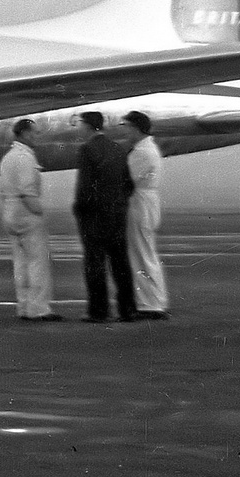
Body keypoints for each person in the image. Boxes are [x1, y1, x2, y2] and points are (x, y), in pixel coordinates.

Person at [72, 112, 137, 323]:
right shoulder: (117, 148)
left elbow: (85, 187)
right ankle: (128, 310)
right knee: (121, 264)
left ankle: (99, 311)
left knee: (95, 264)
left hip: (94, 217)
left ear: (87, 126)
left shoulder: (87, 149)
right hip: (117, 214)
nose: (78, 128)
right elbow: (129, 184)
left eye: (79, 124)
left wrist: (80, 210)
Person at [0, 118, 59, 321]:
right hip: (25, 210)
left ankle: (24, 306)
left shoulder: (7, 157)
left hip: (9, 209)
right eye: (34, 133)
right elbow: (27, 191)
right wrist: (39, 212)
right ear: (24, 133)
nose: (37, 137)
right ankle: (38, 309)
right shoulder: (25, 157)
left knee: (20, 263)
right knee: (37, 262)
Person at [122, 111, 168, 318]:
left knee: (141, 254)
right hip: (145, 202)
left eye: (128, 127)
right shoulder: (147, 148)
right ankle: (153, 300)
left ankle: (150, 304)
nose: (125, 131)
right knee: (144, 253)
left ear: (136, 128)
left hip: (140, 203)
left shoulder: (142, 152)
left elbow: (127, 179)